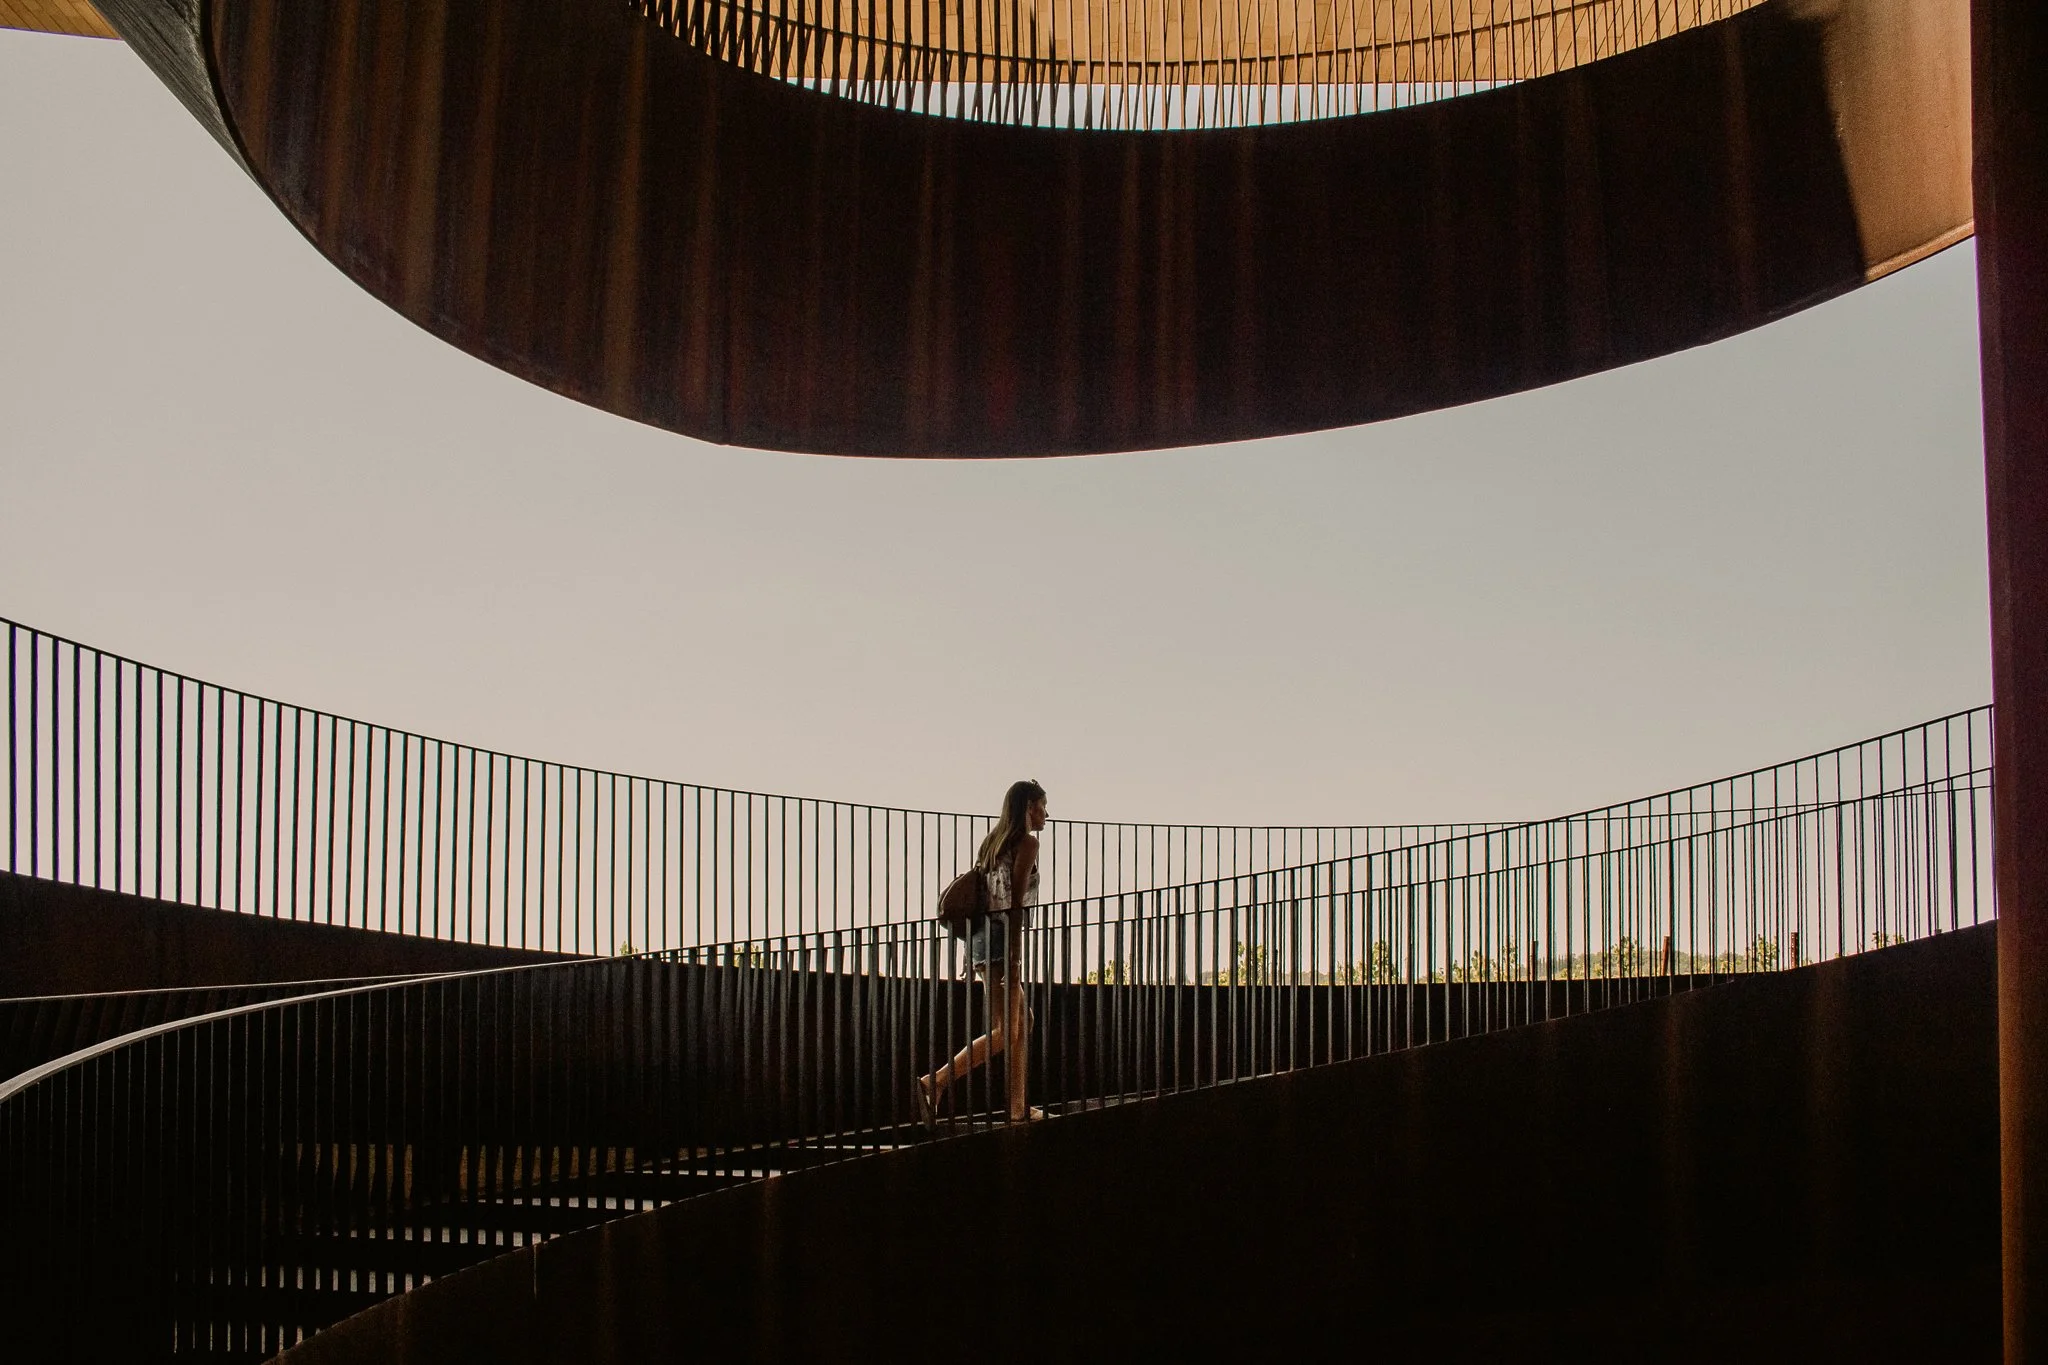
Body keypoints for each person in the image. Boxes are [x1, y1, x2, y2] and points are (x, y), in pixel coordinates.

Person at [918, 779, 1047, 1126]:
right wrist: (1015, 958)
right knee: (1007, 1030)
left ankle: (1018, 1107)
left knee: (1021, 1023)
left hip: (979, 941)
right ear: (1028, 807)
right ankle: (936, 1081)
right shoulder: (1028, 843)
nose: (1046, 814)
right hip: (1001, 942)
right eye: (1043, 806)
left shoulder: (992, 843)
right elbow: (1015, 904)